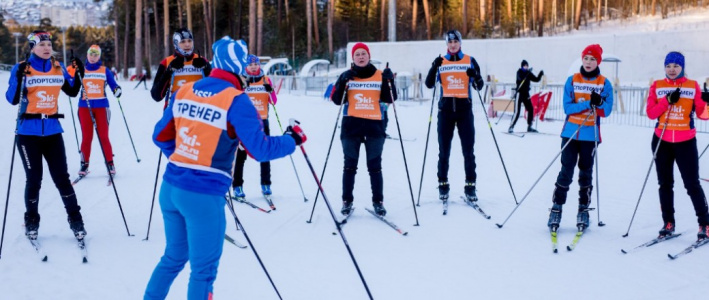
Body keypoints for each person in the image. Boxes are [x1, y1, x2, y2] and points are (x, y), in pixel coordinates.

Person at [145, 36, 306, 300]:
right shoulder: (237, 99)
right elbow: (260, 149)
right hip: (203, 195)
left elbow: (160, 137)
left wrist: (185, 157)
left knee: (173, 257)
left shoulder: (186, 90)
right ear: (239, 67)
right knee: (203, 272)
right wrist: (292, 140)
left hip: (171, 187)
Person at [4, 31, 87, 239]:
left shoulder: (58, 68)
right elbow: (12, 100)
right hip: (27, 133)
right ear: (32, 47)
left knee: (62, 178)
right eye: (41, 44)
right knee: (34, 180)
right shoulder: (22, 67)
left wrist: (80, 73)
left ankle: (76, 221)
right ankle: (31, 221)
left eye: (49, 43)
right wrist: (18, 77)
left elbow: (72, 91)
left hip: (52, 131)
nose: (47, 47)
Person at [547, 44, 614, 232]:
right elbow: (568, 108)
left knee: (585, 173)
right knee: (566, 171)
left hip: (590, 134)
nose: (589, 62)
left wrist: (599, 103)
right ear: (582, 59)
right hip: (570, 133)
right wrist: (586, 105)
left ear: (598, 61)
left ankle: (583, 209)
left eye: (593, 59)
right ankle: (556, 208)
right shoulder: (572, 80)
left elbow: (606, 111)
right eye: (586, 58)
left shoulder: (604, 83)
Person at [646, 51, 709, 241]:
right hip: (662, 140)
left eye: (676, 66)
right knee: (665, 184)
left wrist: (707, 102)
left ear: (682, 67)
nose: (672, 70)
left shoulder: (692, 86)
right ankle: (668, 223)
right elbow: (650, 112)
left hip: (685, 141)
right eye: (668, 66)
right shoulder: (657, 86)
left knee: (692, 184)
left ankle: (705, 224)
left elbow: (703, 114)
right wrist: (667, 101)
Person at [331, 42, 397, 216]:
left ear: (369, 56)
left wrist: (390, 81)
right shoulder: (347, 76)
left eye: (363, 54)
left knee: (374, 167)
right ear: (353, 58)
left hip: (374, 127)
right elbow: (336, 100)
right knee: (349, 166)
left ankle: (378, 202)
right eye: (357, 54)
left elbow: (391, 98)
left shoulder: (380, 75)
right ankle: (347, 201)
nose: (360, 57)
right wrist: (342, 81)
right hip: (351, 127)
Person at [424, 29, 485, 203]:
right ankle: (443, 184)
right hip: (445, 112)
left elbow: (479, 86)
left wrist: (476, 76)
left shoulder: (470, 61)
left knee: (468, 151)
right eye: (449, 42)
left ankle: (470, 186)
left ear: (460, 43)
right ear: (446, 44)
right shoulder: (441, 61)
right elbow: (429, 84)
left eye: (455, 42)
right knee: (444, 151)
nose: (452, 45)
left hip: (464, 110)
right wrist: (433, 66)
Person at [232, 55, 278, 198]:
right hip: (245, 123)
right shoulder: (241, 80)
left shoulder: (266, 79)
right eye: (250, 64)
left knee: (264, 153)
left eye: (256, 64)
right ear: (245, 66)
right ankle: (237, 186)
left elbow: (274, 101)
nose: (253, 67)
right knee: (241, 155)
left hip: (263, 122)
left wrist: (270, 90)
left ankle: (266, 184)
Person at [77, 44, 122, 176]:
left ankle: (110, 163)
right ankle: (84, 165)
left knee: (103, 136)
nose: (93, 57)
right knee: (87, 137)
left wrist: (117, 90)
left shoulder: (104, 70)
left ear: (99, 56)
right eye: (91, 54)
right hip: (84, 107)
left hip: (102, 107)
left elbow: (113, 84)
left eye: (96, 54)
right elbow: (72, 84)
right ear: (87, 55)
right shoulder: (81, 70)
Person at [151, 28, 212, 107]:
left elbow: (215, 89)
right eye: (183, 42)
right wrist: (168, 71)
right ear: (176, 44)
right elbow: (156, 96)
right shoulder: (166, 62)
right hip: (175, 112)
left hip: (198, 111)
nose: (187, 44)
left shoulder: (202, 60)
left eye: (189, 41)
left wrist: (207, 69)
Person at [509, 60, 544, 133]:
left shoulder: (528, 73)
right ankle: (511, 126)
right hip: (519, 93)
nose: (526, 67)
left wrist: (540, 74)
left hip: (526, 94)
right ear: (522, 66)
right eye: (525, 66)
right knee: (517, 111)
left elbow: (536, 79)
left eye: (527, 66)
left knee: (530, 109)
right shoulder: (519, 72)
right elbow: (520, 79)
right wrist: (527, 74)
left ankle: (529, 126)